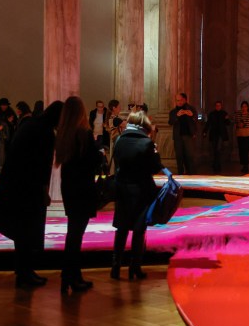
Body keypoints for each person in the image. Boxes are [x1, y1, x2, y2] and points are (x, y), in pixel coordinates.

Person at [0, 101, 64, 288]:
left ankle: (24, 271)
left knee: (21, 232)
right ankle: (25, 273)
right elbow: (42, 166)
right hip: (29, 188)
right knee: (27, 230)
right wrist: (44, 191)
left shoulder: (30, 124)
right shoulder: (45, 133)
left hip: (15, 185)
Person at [55, 96, 103, 294]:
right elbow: (93, 161)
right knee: (76, 235)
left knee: (73, 233)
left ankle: (70, 275)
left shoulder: (64, 134)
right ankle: (72, 276)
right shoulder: (83, 134)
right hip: (82, 188)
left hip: (69, 188)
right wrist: (100, 154)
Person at [111, 110, 164, 281]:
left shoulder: (119, 140)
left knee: (122, 228)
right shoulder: (147, 143)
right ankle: (135, 267)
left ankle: (116, 266)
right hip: (141, 190)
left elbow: (117, 162)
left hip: (122, 188)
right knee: (138, 230)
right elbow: (156, 167)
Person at [168, 92, 198, 174]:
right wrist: (177, 116)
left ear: (185, 100)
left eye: (181, 100)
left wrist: (192, 116)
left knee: (190, 156)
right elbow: (170, 122)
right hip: (178, 137)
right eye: (177, 100)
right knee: (179, 156)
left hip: (188, 136)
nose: (179, 102)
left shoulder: (191, 109)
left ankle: (191, 174)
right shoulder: (173, 112)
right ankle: (180, 174)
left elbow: (196, 121)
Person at [204, 100, 230, 174]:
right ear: (215, 106)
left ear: (221, 106)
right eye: (217, 105)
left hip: (220, 134)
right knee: (214, 149)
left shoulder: (224, 113)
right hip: (214, 134)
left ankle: (217, 164)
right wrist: (205, 131)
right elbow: (208, 123)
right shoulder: (212, 114)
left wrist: (227, 119)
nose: (218, 106)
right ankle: (216, 164)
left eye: (219, 105)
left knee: (218, 149)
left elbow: (228, 123)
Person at [233, 100, 249, 174]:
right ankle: (243, 164)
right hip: (240, 134)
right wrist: (238, 125)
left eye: (245, 106)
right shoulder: (238, 115)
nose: (244, 108)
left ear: (247, 107)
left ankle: (246, 165)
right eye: (242, 107)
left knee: (246, 150)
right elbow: (234, 123)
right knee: (241, 150)